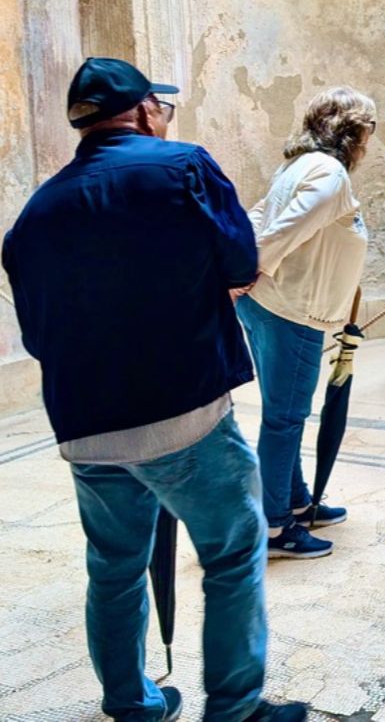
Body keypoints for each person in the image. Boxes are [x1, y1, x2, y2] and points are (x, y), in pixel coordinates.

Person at [1, 57, 308, 720]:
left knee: (113, 567)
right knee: (231, 550)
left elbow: (36, 334)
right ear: (144, 111)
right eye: (161, 108)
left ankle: (131, 701)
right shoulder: (184, 167)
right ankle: (235, 707)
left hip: (86, 427)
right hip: (183, 414)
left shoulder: (33, 216)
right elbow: (240, 261)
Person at [236, 87, 374, 560]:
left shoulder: (297, 164)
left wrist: (244, 269)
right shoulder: (329, 173)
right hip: (288, 308)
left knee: (283, 412)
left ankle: (293, 500)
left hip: (272, 303)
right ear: (356, 132)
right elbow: (284, 228)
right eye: (369, 131)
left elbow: (257, 215)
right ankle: (276, 529)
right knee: (285, 417)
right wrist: (246, 268)